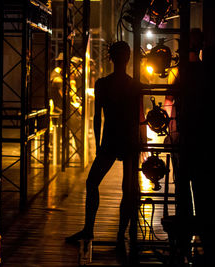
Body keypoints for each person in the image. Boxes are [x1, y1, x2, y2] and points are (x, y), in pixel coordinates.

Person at [65, 41, 141, 246]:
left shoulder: (102, 84)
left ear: (110, 58)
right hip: (128, 139)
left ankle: (89, 229)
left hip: (110, 138)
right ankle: (120, 234)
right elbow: (137, 118)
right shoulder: (134, 85)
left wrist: (98, 144)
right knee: (128, 189)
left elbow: (97, 117)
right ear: (128, 59)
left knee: (92, 183)